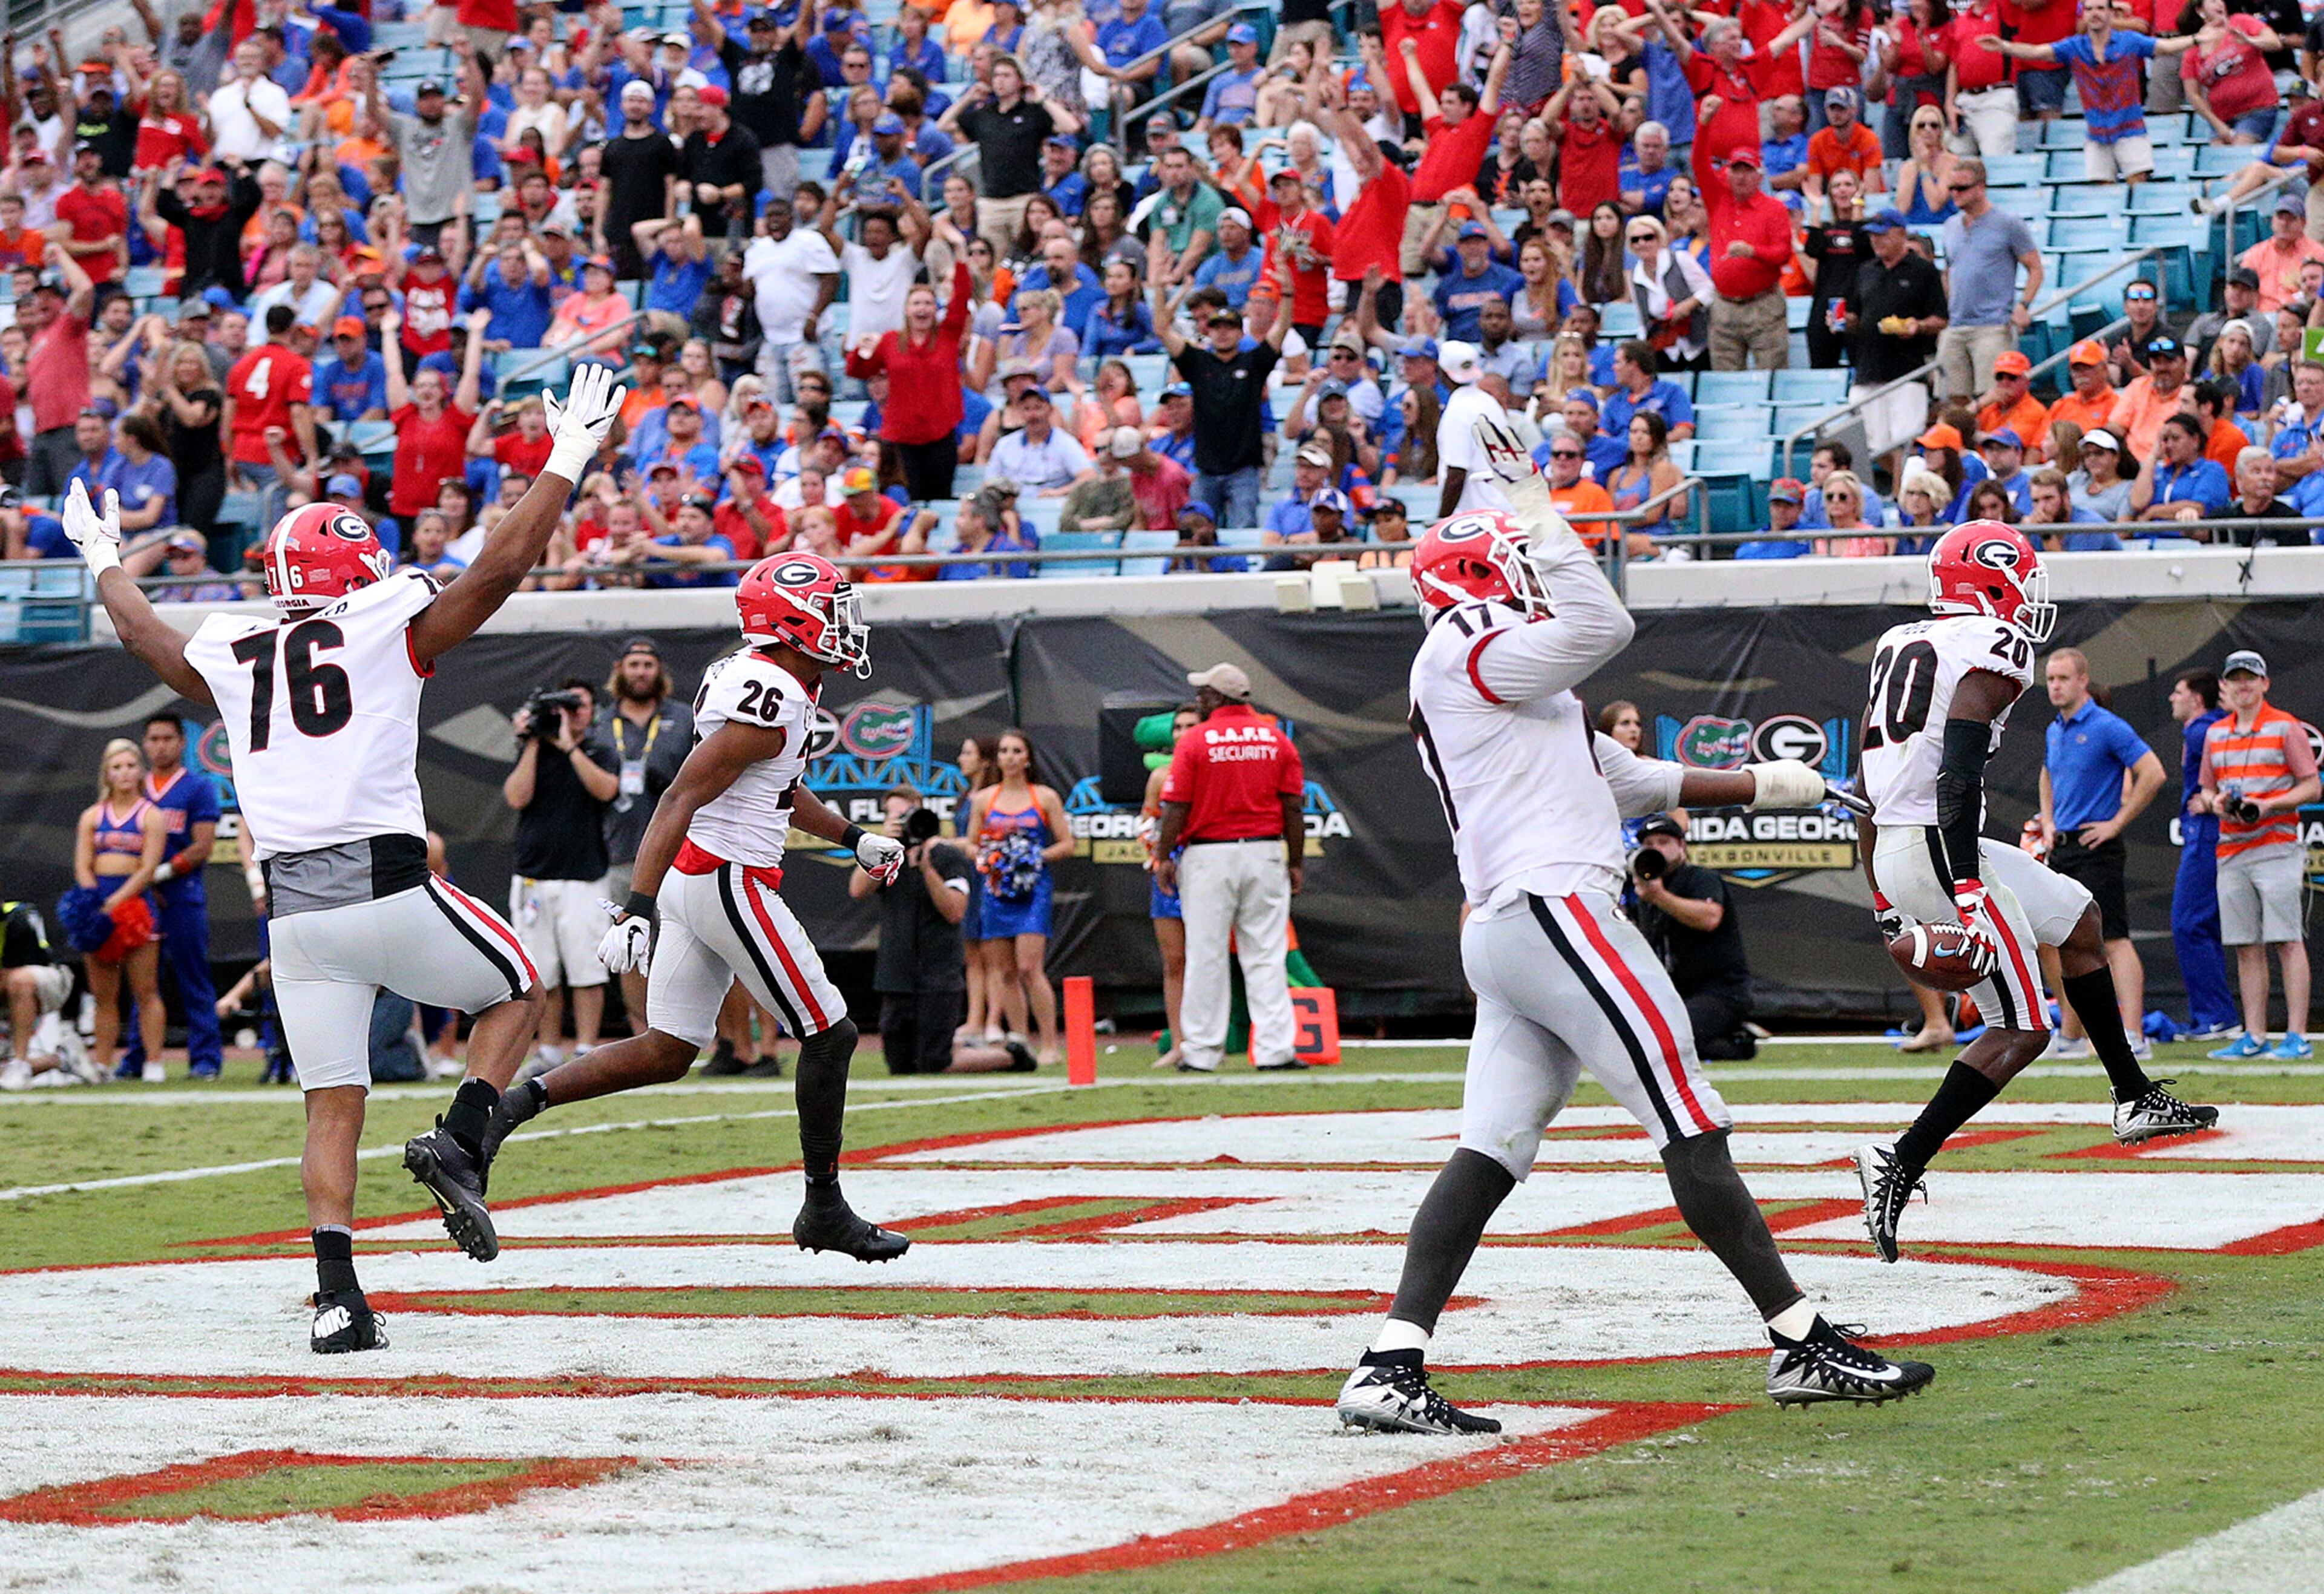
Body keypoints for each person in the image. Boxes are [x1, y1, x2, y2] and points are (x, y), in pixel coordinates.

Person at [1338, 412, 1931, 1434]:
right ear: (1484, 587)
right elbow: (1603, 624)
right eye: (1513, 571)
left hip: (1513, 928)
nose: (1528, 581)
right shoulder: (1465, 647)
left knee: (1491, 1147)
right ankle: (1800, 1339)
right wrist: (1527, 495)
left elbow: (1631, 777)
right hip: (1557, 911)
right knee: (1689, 1116)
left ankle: (1390, 1360)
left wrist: (1773, 778)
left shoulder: (1496, 684)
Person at [60, 366, 625, 1351]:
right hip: (384, 882)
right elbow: (496, 571)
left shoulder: (235, 645)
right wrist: (567, 454)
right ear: (352, 572)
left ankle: (337, 1298)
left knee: (332, 1100)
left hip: (294, 916)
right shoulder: (384, 618)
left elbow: (142, 629)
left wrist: (102, 552)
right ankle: (462, 1136)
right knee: (519, 985)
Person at [484, 552, 914, 1258]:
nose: (845, 624)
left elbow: (774, 790)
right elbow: (680, 795)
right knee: (830, 1033)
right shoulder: (770, 693)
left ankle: (504, 1111)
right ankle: (825, 1206)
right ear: (792, 621)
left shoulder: (776, 688)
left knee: (667, 1049)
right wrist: (638, 906)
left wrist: (852, 836)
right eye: (832, 610)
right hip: (726, 878)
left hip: (707, 876)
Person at [1853, 522, 2221, 1271]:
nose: (2026, 595)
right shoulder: (1994, 644)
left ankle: (2133, 1097)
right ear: (1987, 582)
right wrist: (1964, 892)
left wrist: (1884, 896)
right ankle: (1899, 1160)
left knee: (2080, 921)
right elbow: (1956, 775)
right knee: (2023, 1029)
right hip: (1941, 845)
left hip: (1906, 842)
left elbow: (1867, 789)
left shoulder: (1902, 642)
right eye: (2020, 576)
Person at [1152, 663, 1306, 1076]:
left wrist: (1164, 856)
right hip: (1265, 852)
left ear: (1218, 699)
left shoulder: (1196, 741)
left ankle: (1201, 1052)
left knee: (1205, 954)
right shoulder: (1276, 740)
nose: (1200, 699)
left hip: (1209, 856)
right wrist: (1295, 861)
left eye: (1205, 693)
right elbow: (1293, 807)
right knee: (1267, 955)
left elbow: (1176, 806)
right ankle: (1276, 1050)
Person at [2038, 648, 2167, 1060]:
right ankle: (2072, 1036)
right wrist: (2048, 820)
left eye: (2062, 678)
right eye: (2051, 679)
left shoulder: (2108, 726)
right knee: (2059, 942)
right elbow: (2047, 773)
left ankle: (2133, 1035)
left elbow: (2154, 772)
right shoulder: (2054, 729)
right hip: (2064, 847)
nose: (2055, 686)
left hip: (2098, 848)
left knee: (2112, 940)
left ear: (2082, 680)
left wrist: (2117, 822)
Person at [851, 785, 1034, 1075]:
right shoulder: (886, 857)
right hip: (896, 973)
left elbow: (955, 911)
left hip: (937, 974)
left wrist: (927, 870)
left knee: (934, 1062)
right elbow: (857, 890)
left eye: (905, 814)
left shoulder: (948, 857)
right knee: (899, 1065)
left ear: (919, 809)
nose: (900, 821)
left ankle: (1012, 1057)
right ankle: (971, 1050)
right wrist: (882, 846)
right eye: (893, 816)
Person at [2197, 650, 2320, 1060]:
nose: (2243, 685)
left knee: (2286, 939)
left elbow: (2312, 787)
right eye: (2236, 678)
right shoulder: (2216, 734)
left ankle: (2296, 1035)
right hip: (2231, 848)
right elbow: (2207, 789)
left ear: (2265, 683)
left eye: (2250, 678)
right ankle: (2254, 1035)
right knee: (2245, 945)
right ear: (2226, 686)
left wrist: (2270, 804)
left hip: (2277, 846)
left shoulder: (2286, 727)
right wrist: (2216, 803)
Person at [502, 672, 620, 1071]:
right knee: (541, 968)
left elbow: (606, 790)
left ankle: (586, 1047)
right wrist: (534, 742)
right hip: (535, 875)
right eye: (563, 708)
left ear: (591, 711)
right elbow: (517, 797)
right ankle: (549, 1049)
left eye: (578, 706)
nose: (570, 714)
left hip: (583, 875)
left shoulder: (600, 750)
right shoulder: (533, 749)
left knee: (586, 965)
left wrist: (570, 746)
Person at [113, 713, 223, 1082]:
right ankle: (136, 1057)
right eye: (154, 739)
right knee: (143, 982)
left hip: (182, 893)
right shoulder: (134, 786)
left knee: (194, 976)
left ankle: (206, 1059)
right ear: (145, 745)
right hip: (140, 898)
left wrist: (160, 873)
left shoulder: (197, 788)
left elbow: (202, 846)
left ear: (181, 743)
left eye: (167, 739)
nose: (160, 746)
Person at [599, 638, 693, 1041]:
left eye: (648, 664)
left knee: (692, 946)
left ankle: (690, 1033)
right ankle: (643, 1037)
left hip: (680, 853)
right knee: (631, 949)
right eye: (634, 664)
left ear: (660, 671)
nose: (641, 672)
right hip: (620, 852)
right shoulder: (601, 723)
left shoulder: (685, 718)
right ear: (620, 669)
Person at [1158, 254, 1297, 528]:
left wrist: (1289, 292)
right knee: (1196, 530)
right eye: (1216, 327)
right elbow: (1162, 329)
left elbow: (1281, 328)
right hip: (1206, 467)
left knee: (1243, 529)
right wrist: (1166, 291)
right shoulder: (1197, 362)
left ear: (1239, 332)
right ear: (1208, 332)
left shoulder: (1254, 362)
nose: (1222, 333)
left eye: (1229, 327)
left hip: (1244, 468)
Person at [966, 728, 1074, 1066]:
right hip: (996, 891)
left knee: (1029, 967)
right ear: (997, 758)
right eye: (1003, 751)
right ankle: (1019, 1041)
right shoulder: (983, 800)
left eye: (1016, 751)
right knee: (1005, 972)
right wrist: (993, 858)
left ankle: (1051, 1045)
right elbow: (971, 843)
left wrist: (1032, 857)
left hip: (1033, 890)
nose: (1009, 757)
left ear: (1028, 758)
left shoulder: (1045, 797)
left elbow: (1067, 844)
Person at [76, 738, 169, 1082]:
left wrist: (117, 902)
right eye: (117, 767)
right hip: (99, 907)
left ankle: (154, 1063)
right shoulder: (92, 816)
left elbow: (148, 868)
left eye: (131, 766)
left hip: (136, 906)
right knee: (103, 994)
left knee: (145, 990)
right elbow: (84, 865)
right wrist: (93, 901)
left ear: (140, 771)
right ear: (107, 774)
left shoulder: (151, 814)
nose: (125, 773)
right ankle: (102, 1065)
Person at [1632, 815, 1756, 1060]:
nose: (1656, 849)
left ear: (1682, 846)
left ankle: (1740, 1045)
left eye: (1664, 842)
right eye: (1649, 844)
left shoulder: (1700, 878)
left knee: (1673, 1041)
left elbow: (1709, 918)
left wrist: (1659, 897)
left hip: (1720, 992)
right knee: (1640, 1038)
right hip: (1674, 992)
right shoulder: (1645, 888)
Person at [2168, 670, 2240, 1040]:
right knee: (2201, 925)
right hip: (2209, 833)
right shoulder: (2216, 726)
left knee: (2189, 923)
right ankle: (2215, 1015)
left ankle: (2215, 1016)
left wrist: (2212, 802)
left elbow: (2237, 767)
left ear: (2197, 698)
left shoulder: (2202, 730)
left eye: (2178, 692)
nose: (2172, 698)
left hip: (2207, 835)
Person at [1844, 211, 1948, 465]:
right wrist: (1843, 322)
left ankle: (1903, 496)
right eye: (1872, 236)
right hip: (1868, 367)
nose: (1876, 241)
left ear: (1901, 234)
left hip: (1907, 369)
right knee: (1875, 446)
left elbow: (1941, 319)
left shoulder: (1923, 271)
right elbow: (1854, 314)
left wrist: (1917, 326)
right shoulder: (1866, 271)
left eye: (1882, 235)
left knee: (1905, 440)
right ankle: (1900, 489)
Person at [1934, 162, 2040, 402]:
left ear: (1981, 187)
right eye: (1952, 188)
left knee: (1993, 397)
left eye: (1962, 188)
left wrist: (2023, 305)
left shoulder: (2008, 223)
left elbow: (2035, 268)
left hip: (1992, 325)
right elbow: (1949, 271)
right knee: (1952, 398)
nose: (1955, 194)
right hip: (1957, 324)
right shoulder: (1951, 226)